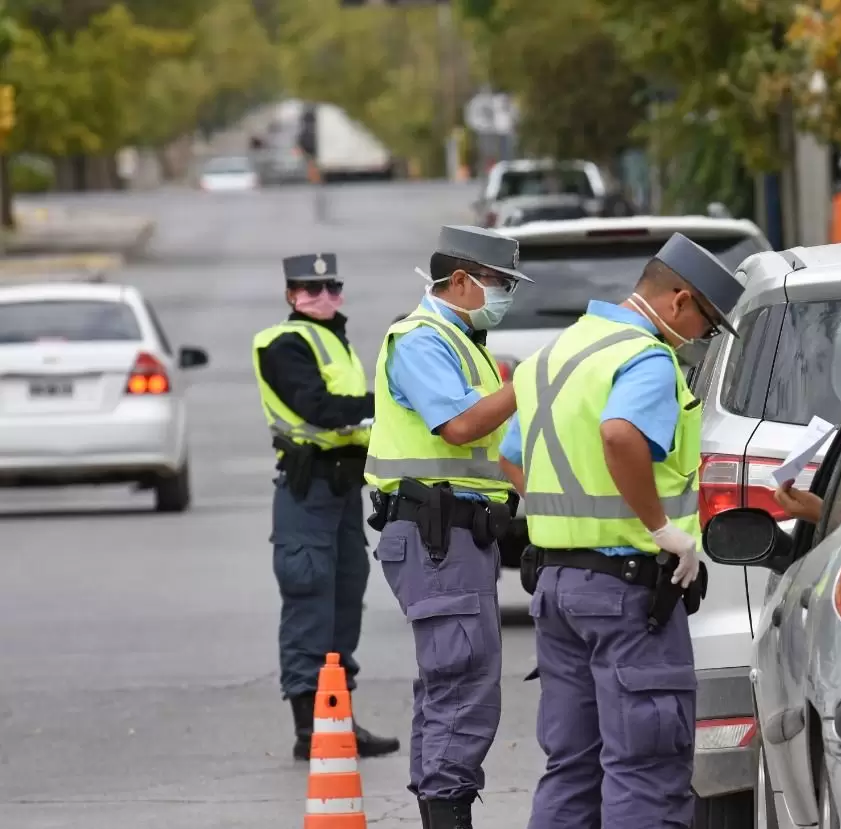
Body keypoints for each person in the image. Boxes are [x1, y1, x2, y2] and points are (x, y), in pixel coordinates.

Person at [504, 232, 745, 829]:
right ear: (679, 300)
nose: (701, 337)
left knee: (572, 769)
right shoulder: (645, 358)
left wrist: (567, 518)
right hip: (627, 593)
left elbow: (510, 454)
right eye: (705, 323)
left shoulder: (555, 354)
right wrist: (660, 528)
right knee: (646, 770)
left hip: (557, 586)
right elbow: (619, 434)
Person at [364, 226, 532, 829]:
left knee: (452, 680)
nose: (506, 295)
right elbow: (459, 426)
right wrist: (524, 386)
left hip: (460, 536)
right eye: (499, 283)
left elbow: (493, 447)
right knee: (462, 681)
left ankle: (441, 806)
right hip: (438, 534)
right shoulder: (421, 340)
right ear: (459, 280)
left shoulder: (466, 343)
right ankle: (447, 811)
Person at [251, 253, 400, 762]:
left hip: (342, 490)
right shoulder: (282, 343)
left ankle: (338, 719)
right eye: (309, 289)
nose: (321, 297)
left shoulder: (337, 341)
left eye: (330, 287)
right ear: (290, 295)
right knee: (309, 597)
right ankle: (308, 727)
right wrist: (387, 406)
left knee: (344, 599)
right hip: (307, 487)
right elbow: (319, 408)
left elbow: (348, 414)